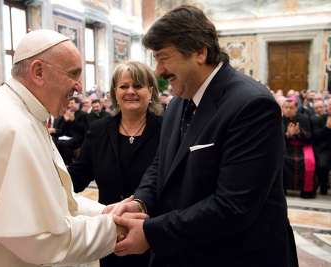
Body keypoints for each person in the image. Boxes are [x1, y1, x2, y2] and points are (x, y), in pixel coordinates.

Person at [105, 5, 298, 267]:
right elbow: (162, 165)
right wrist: (140, 202)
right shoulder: (176, 104)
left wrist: (152, 233)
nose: (158, 71)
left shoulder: (252, 105)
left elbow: (233, 206)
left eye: (163, 58)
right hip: (185, 251)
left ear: (199, 52)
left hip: (236, 256)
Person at [0, 29, 133, 267]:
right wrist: (113, 227)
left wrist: (104, 213)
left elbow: (54, 200)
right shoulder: (10, 126)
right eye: (74, 74)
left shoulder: (22, 112)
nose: (79, 87)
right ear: (38, 72)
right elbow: (41, 241)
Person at [68, 61, 162, 267]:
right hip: (111, 235)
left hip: (153, 238)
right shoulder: (99, 130)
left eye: (138, 86)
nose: (130, 92)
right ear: (114, 92)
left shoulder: (166, 130)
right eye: (123, 86)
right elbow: (79, 175)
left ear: (151, 91)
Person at [282, 98, 316, 198]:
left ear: (296, 108)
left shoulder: (304, 118)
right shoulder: (280, 119)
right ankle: (282, 189)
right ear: (283, 108)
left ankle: (306, 191)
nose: (288, 110)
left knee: (309, 161)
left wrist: (299, 133)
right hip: (286, 146)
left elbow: (310, 137)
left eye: (291, 108)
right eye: (286, 107)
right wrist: (287, 134)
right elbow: (276, 137)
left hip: (303, 146)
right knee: (281, 160)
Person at [312, 98, 331, 195]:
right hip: (324, 149)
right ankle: (323, 186)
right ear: (327, 107)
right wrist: (327, 128)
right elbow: (316, 135)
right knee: (322, 165)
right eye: (330, 105)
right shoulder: (320, 119)